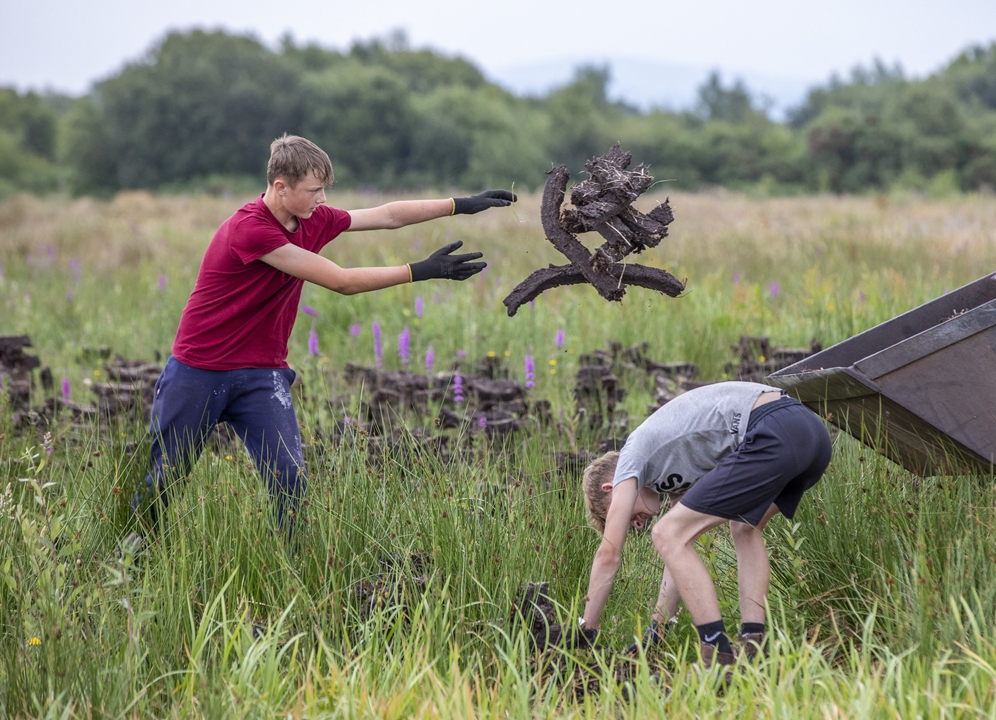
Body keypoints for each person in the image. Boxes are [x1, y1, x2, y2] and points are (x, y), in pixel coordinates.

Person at [135, 134, 515, 528]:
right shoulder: (250, 230)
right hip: (200, 370)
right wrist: (422, 270)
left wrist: (460, 205)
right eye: (314, 191)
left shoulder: (313, 219)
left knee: (290, 480)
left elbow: (387, 215)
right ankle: (134, 557)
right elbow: (341, 281)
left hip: (262, 374)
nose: (323, 200)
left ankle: (294, 568)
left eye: (324, 190)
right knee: (166, 476)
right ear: (280, 187)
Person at [578, 381, 831, 670]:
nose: (634, 525)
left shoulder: (631, 458)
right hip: (811, 436)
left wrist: (587, 629)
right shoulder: (671, 473)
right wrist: (656, 631)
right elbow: (677, 556)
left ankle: (716, 654)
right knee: (744, 527)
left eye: (617, 515)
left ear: (612, 487)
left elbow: (608, 555)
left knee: (667, 533)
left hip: (774, 427)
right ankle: (753, 647)